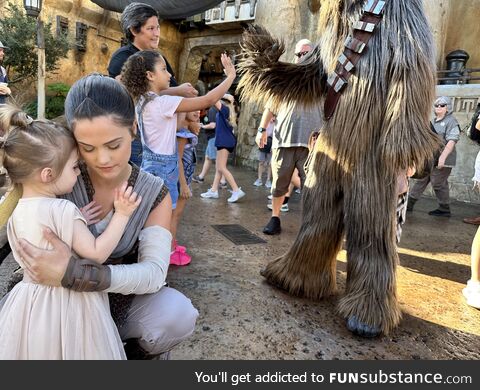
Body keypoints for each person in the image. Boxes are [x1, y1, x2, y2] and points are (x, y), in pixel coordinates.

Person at [3, 74, 199, 359]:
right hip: (52, 308)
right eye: (87, 148)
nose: (102, 159)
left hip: (119, 302)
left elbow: (155, 274)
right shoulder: (56, 178)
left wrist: (76, 275)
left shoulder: (153, 192)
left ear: (134, 128)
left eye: (113, 145)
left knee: (176, 315)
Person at [0, 105, 142, 359]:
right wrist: (122, 215)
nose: (79, 172)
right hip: (70, 304)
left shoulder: (16, 213)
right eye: (75, 167)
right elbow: (97, 254)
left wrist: (77, 221)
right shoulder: (64, 209)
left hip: (29, 305)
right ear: (48, 174)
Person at [120, 50, 236, 214]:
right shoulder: (163, 103)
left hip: (149, 166)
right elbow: (208, 100)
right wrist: (230, 76)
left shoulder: (142, 100)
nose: (169, 75)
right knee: (163, 218)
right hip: (165, 170)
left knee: (151, 217)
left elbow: (160, 94)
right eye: (164, 69)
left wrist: (178, 90)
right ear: (150, 75)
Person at [107, 2, 197, 166]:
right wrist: (179, 91)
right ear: (134, 30)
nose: (157, 34)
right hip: (138, 138)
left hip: (164, 139)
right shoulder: (123, 57)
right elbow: (132, 95)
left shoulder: (157, 59)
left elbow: (168, 91)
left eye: (158, 28)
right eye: (151, 29)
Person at [257, 39, 322, 234]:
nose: (303, 57)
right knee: (279, 184)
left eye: (307, 53)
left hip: (310, 145)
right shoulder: (286, 79)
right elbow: (271, 106)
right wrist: (261, 130)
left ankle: (309, 224)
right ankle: (275, 219)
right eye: (300, 54)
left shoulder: (321, 80)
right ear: (295, 56)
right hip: (283, 141)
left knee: (311, 187)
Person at [407, 96, 460, 217]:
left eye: (442, 105)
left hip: (443, 159)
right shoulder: (434, 121)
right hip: (431, 159)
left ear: (448, 107)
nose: (439, 107)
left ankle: (444, 208)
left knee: (438, 182)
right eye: (436, 105)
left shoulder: (451, 121)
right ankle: (409, 204)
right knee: (422, 179)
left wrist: (442, 158)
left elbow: (452, 140)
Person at [200, 94, 246, 203]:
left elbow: (213, 97)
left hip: (224, 141)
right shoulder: (229, 111)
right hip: (224, 140)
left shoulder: (224, 109)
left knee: (221, 167)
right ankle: (214, 190)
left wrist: (222, 93)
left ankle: (236, 190)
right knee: (218, 167)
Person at [170, 111, 200, 266]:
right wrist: (184, 185)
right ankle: (170, 252)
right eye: (192, 108)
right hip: (180, 180)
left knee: (176, 215)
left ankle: (172, 244)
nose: (197, 111)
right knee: (175, 216)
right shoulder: (182, 134)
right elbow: (178, 160)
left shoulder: (187, 132)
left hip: (183, 179)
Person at [192, 105, 226, 188]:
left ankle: (222, 181)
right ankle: (201, 177)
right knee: (208, 157)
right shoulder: (214, 109)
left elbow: (213, 125)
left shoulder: (212, 110)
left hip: (214, 137)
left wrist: (202, 126)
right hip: (214, 137)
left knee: (218, 160)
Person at [254, 115, 274, 188]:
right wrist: (259, 137)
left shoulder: (276, 125)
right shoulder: (265, 123)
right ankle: (259, 179)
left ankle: (268, 180)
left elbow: (276, 135)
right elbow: (259, 129)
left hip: (271, 143)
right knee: (261, 161)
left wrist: (273, 146)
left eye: (273, 117)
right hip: (263, 142)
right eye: (271, 117)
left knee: (270, 163)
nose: (272, 118)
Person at [0, 41, 11, 105]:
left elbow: (6, 89)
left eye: (3, 51)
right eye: (0, 50)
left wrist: (8, 91)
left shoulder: (2, 70)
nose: (2, 53)